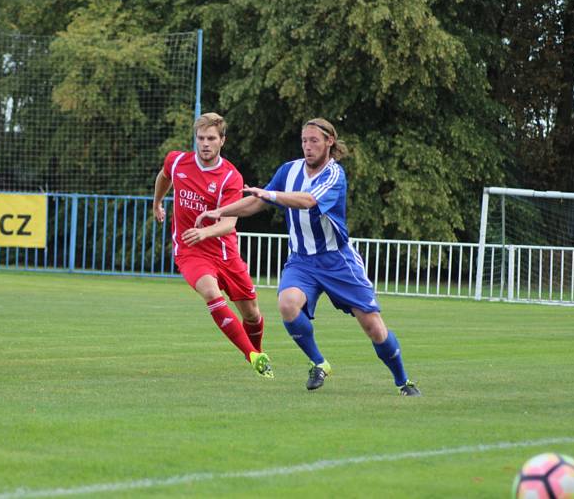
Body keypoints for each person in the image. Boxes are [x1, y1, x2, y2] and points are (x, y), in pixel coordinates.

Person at [196, 118, 420, 395]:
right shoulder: (289, 170)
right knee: (287, 305)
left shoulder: (334, 174)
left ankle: (403, 381)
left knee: (373, 327)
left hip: (338, 261)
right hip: (302, 260)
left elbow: (308, 200)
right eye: (304, 140)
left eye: (314, 140)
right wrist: (222, 211)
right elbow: (257, 200)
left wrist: (271, 194)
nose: (308, 146)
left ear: (329, 143)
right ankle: (319, 362)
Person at [153, 112, 272, 378]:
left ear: (222, 141)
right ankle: (251, 355)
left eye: (211, 138)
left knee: (252, 314)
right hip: (190, 250)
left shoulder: (231, 177)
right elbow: (164, 176)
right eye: (200, 138)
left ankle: (258, 352)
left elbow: (229, 223)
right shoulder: (177, 161)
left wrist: (205, 233)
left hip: (224, 251)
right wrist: (157, 202)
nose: (204, 143)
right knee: (210, 292)